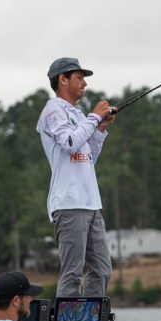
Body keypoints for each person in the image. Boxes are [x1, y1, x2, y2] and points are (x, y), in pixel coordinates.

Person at [37, 57, 115, 297]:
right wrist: (94, 118)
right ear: (63, 79)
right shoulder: (53, 110)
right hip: (69, 203)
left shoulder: (79, 115)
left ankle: (90, 320)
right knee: (72, 274)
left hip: (91, 204)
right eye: (79, 77)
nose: (84, 83)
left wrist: (99, 129)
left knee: (102, 270)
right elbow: (70, 143)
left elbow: (88, 157)